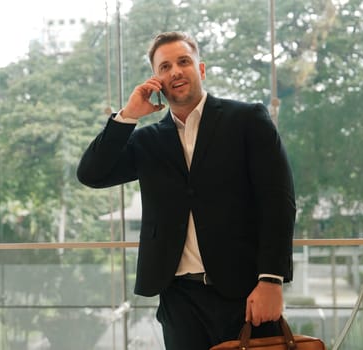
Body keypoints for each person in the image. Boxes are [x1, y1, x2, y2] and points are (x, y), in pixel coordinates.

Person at [77, 31, 296, 349]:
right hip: (178, 299)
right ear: (156, 80)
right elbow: (91, 174)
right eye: (164, 67)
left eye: (183, 61)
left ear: (201, 69)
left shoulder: (247, 119)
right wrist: (128, 116)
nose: (175, 71)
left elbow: (279, 201)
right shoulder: (146, 140)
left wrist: (271, 280)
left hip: (246, 294)